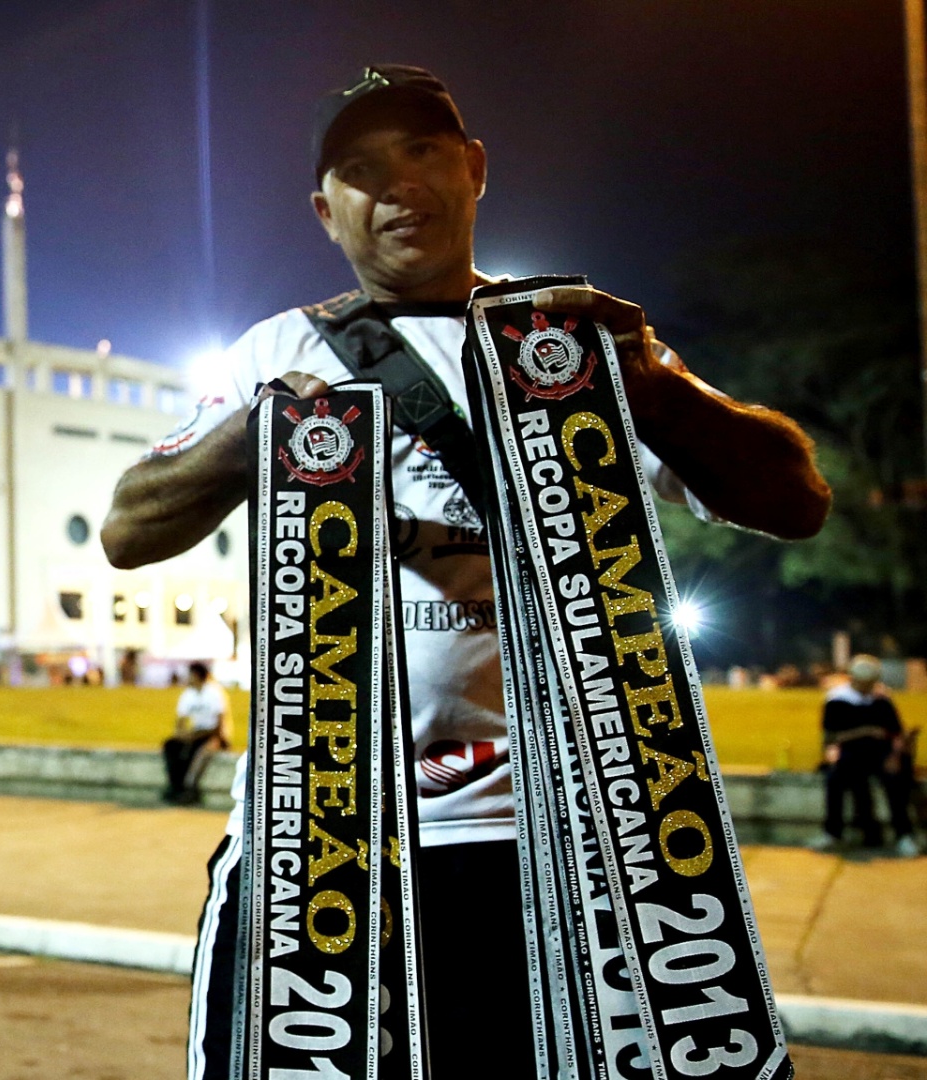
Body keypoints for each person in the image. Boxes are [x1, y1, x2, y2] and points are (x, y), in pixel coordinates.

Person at [98, 65, 831, 1077]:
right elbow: (128, 529)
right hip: (324, 841)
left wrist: (657, 392)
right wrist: (262, 430)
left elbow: (796, 499)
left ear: (475, 169)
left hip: (568, 846)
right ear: (326, 211)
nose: (397, 184)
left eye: (423, 152)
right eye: (360, 169)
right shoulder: (276, 349)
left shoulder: (564, 346)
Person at [818, 654, 919, 856]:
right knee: (834, 779)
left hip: (881, 754)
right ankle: (832, 833)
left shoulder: (882, 699)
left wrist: (895, 757)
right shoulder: (837, 700)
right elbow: (830, 738)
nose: (866, 687)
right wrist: (866, 731)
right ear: (852, 679)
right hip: (850, 753)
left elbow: (896, 733)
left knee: (896, 781)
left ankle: (904, 835)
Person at [162, 661, 229, 805]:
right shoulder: (188, 694)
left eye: (190, 675)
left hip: (213, 735)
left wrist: (194, 736)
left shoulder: (214, 693)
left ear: (197, 676)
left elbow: (219, 724)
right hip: (196, 733)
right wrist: (181, 735)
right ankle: (175, 786)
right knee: (171, 746)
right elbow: (180, 721)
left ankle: (191, 789)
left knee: (201, 754)